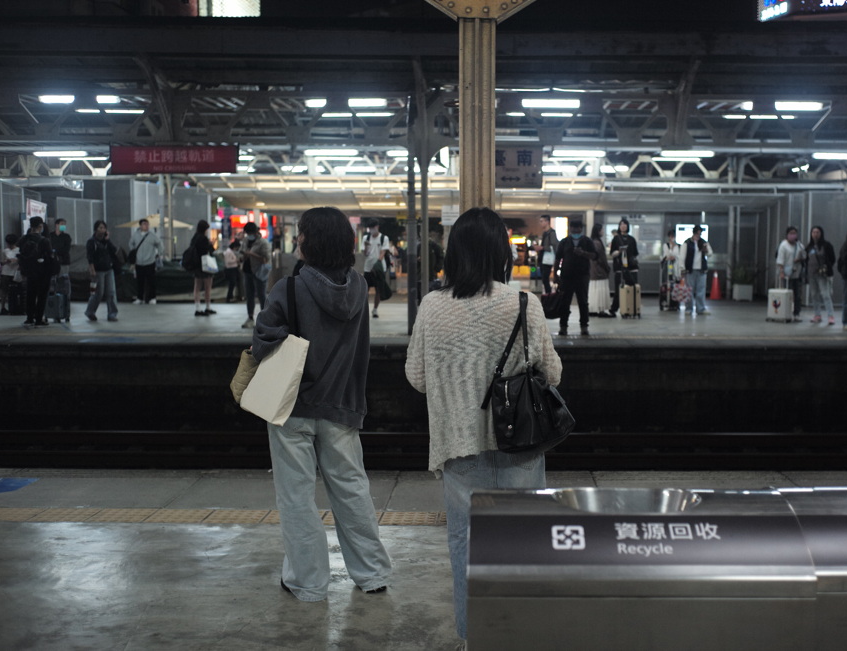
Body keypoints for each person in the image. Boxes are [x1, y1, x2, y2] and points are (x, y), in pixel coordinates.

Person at [404, 206, 562, 643]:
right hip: (522, 446)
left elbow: (416, 378)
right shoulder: (524, 304)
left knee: (465, 548)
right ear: (501, 253)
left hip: (460, 448)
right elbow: (553, 374)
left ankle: (474, 638)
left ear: (455, 253)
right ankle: (519, 636)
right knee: (522, 546)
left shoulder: (433, 306)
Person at [253, 206, 391, 602]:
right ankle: (372, 574)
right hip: (342, 404)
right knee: (351, 490)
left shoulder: (289, 287)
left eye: (301, 235)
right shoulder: (359, 289)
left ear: (310, 243)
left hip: (292, 406)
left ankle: (309, 582)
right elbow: (361, 350)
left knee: (296, 496)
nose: (297, 241)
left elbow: (263, 342)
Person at [554, 220, 597, 336]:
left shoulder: (587, 241)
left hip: (582, 276)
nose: (575, 230)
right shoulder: (564, 242)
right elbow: (557, 259)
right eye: (572, 228)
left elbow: (594, 255)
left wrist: (582, 253)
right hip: (566, 276)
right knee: (565, 302)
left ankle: (584, 326)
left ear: (581, 229)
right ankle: (563, 326)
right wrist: (555, 276)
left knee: (583, 302)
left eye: (577, 228)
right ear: (570, 229)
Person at [19, 216, 55, 327]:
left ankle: (29, 318)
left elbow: (20, 254)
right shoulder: (44, 240)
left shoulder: (24, 239)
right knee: (42, 296)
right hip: (43, 272)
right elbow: (50, 256)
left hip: (29, 272)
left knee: (30, 294)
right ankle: (39, 319)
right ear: (41, 226)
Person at [85, 220, 119, 322]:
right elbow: (89, 257)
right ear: (96, 229)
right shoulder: (91, 242)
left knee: (111, 292)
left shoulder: (106, 241)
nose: (102, 230)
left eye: (104, 228)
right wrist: (92, 269)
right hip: (98, 271)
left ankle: (112, 314)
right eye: (100, 228)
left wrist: (108, 240)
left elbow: (114, 251)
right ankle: (90, 312)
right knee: (98, 293)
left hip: (108, 269)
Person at [362, 218, 395, 318]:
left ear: (377, 227)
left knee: (378, 289)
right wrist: (366, 247)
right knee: (365, 289)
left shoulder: (384, 238)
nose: (372, 229)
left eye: (373, 227)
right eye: (370, 228)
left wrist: (377, 264)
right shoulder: (366, 238)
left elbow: (383, 252)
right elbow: (365, 253)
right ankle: (364, 309)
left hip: (380, 268)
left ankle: (375, 310)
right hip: (368, 267)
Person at [805, 225, 837, 325]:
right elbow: (805, 259)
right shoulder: (809, 247)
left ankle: (830, 316)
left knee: (825, 294)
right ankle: (817, 314)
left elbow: (832, 258)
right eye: (813, 232)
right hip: (811, 274)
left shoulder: (827, 245)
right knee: (814, 294)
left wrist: (826, 268)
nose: (815, 234)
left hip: (822, 274)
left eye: (817, 232)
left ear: (821, 233)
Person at [240, 222, 269, 329]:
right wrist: (243, 257)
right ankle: (250, 317)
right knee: (249, 296)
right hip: (247, 271)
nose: (249, 235)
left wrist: (252, 254)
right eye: (247, 233)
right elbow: (241, 254)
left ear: (256, 232)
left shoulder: (263, 242)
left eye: (250, 233)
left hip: (259, 272)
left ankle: (265, 319)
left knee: (262, 296)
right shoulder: (245, 241)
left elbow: (266, 259)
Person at [608, 217, 639, 317]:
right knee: (619, 289)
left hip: (631, 268)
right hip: (619, 267)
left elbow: (635, 253)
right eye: (621, 224)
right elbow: (612, 253)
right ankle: (614, 309)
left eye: (625, 224)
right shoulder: (616, 239)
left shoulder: (632, 239)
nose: (623, 226)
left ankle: (630, 308)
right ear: (619, 226)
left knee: (631, 287)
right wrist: (619, 252)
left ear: (628, 226)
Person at [130, 218, 164, 305]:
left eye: (148, 224)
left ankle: (153, 298)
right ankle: (140, 298)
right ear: (140, 225)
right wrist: (133, 251)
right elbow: (130, 243)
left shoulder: (152, 235)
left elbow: (160, 244)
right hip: (138, 262)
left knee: (151, 281)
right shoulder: (135, 235)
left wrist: (159, 254)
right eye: (144, 224)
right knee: (139, 281)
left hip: (150, 262)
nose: (147, 226)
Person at [776, 226, 806, 322]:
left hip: (797, 273)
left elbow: (805, 256)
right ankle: (786, 312)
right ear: (787, 234)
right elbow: (780, 260)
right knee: (787, 294)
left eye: (795, 233)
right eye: (791, 233)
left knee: (797, 294)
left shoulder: (800, 245)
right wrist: (781, 272)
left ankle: (796, 313)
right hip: (786, 274)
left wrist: (799, 259)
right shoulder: (783, 245)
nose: (793, 235)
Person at [682, 225, 713, 315]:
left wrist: (706, 250)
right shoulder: (687, 243)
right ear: (693, 233)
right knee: (689, 290)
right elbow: (682, 257)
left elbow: (710, 253)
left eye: (699, 234)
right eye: (696, 233)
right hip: (690, 270)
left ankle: (701, 308)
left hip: (701, 270)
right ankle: (688, 308)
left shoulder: (703, 242)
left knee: (701, 290)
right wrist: (682, 269)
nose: (698, 236)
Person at [189, 220, 216, 317]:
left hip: (196, 266)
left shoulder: (194, 238)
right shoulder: (204, 239)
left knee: (197, 287)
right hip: (205, 265)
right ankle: (208, 307)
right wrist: (211, 244)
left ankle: (198, 308)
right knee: (207, 287)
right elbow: (210, 250)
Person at [49, 218, 72, 322]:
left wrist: (55, 252)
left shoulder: (66, 237)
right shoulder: (50, 236)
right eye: (62, 224)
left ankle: (66, 313)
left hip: (64, 264)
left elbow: (65, 250)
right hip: (53, 265)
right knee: (54, 288)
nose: (63, 226)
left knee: (65, 288)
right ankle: (55, 313)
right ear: (56, 225)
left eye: (65, 224)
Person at [532, 214, 559, 294]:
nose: (540, 223)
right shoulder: (545, 233)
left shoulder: (551, 233)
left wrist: (542, 248)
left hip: (547, 259)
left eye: (541, 221)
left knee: (545, 278)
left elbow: (554, 245)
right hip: (543, 258)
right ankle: (548, 295)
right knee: (544, 279)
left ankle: (548, 295)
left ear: (547, 222)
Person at [588, 223, 611, 317]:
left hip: (593, 271)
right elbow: (601, 258)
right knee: (601, 289)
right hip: (600, 271)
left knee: (594, 290)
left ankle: (593, 309)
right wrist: (607, 267)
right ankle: (601, 310)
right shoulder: (597, 242)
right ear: (598, 231)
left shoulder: (592, 241)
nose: (603, 231)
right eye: (602, 230)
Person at [0, 234, 21, 316]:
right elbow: (1, 262)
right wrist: (6, 261)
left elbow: (21, 260)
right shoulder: (5, 251)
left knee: (16, 291)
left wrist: (15, 260)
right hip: (5, 272)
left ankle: (16, 307)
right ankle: (3, 307)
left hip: (15, 273)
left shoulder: (19, 250)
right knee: (4, 291)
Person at [661, 230, 681, 311]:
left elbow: (678, 256)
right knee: (666, 283)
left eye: (673, 236)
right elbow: (667, 255)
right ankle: (666, 301)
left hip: (675, 267)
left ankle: (675, 303)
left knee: (675, 284)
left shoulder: (678, 246)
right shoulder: (666, 245)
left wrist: (674, 256)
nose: (672, 238)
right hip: (667, 266)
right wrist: (671, 248)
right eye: (670, 236)